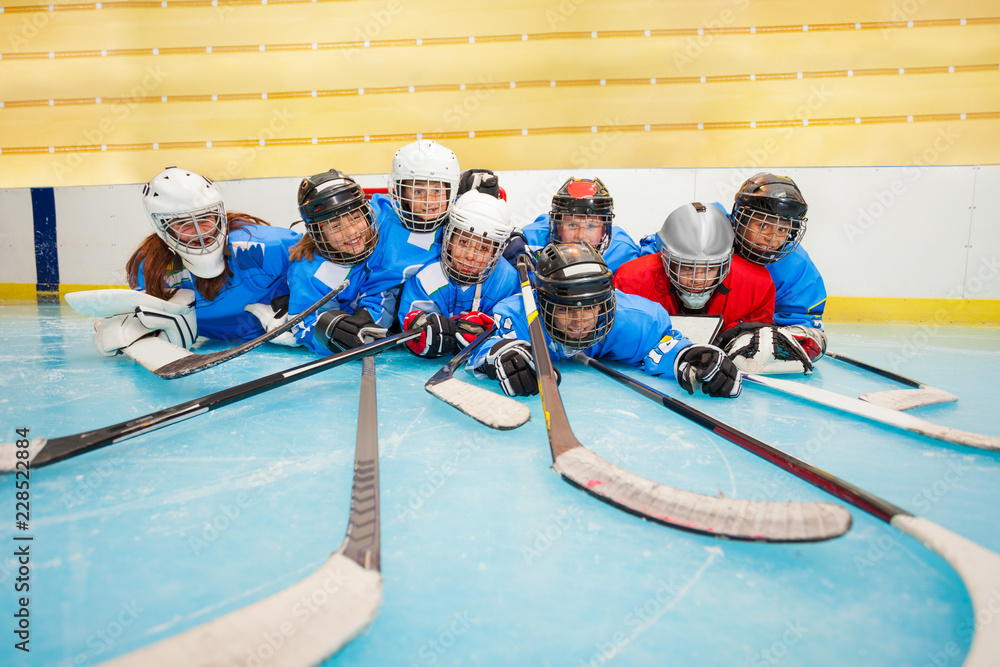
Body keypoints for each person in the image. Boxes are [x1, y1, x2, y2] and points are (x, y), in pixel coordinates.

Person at [471, 243, 742, 399]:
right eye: (566, 309)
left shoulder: (634, 318)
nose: (580, 321)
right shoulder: (518, 313)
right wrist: (500, 355)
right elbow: (487, 343)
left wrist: (688, 355)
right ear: (542, 304)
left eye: (590, 308)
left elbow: (662, 344)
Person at [93, 166, 300, 356]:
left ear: (219, 214)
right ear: (161, 227)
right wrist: (135, 327)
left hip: (274, 343)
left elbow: (318, 262)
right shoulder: (150, 266)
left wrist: (305, 314)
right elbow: (148, 311)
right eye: (182, 223)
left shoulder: (264, 246)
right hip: (213, 344)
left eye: (205, 218)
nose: (199, 233)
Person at [615, 202, 813, 375]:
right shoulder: (631, 280)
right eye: (686, 266)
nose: (697, 279)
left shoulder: (757, 286)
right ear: (665, 258)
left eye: (710, 268)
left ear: (728, 261)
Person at [285, 169, 402, 356]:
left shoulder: (385, 224)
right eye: (336, 226)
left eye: (356, 218)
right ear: (319, 233)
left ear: (367, 213)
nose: (352, 232)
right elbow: (304, 325)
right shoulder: (309, 272)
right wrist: (331, 331)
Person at [399, 190, 520, 358]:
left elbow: (514, 329)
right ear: (448, 240)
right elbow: (410, 327)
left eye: (484, 248)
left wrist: (490, 336)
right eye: (463, 242)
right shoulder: (426, 275)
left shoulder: (508, 280)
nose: (470, 256)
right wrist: (424, 334)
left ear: (496, 253)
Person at [723, 172, 828, 364]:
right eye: (763, 225)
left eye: (782, 229)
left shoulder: (796, 266)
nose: (772, 238)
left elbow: (803, 326)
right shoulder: (710, 233)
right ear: (740, 219)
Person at [508, 177, 641, 272]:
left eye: (591, 226)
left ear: (603, 231)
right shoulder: (532, 242)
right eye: (571, 225)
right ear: (558, 228)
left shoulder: (623, 250)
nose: (580, 236)